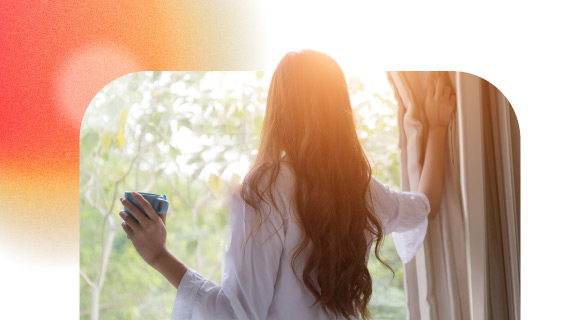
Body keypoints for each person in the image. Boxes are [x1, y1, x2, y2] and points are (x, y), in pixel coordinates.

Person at [118, 50, 456, 320]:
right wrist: (439, 127)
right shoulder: (364, 191)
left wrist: (158, 255)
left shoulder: (267, 187)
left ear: (279, 109)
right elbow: (427, 204)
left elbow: (237, 314)